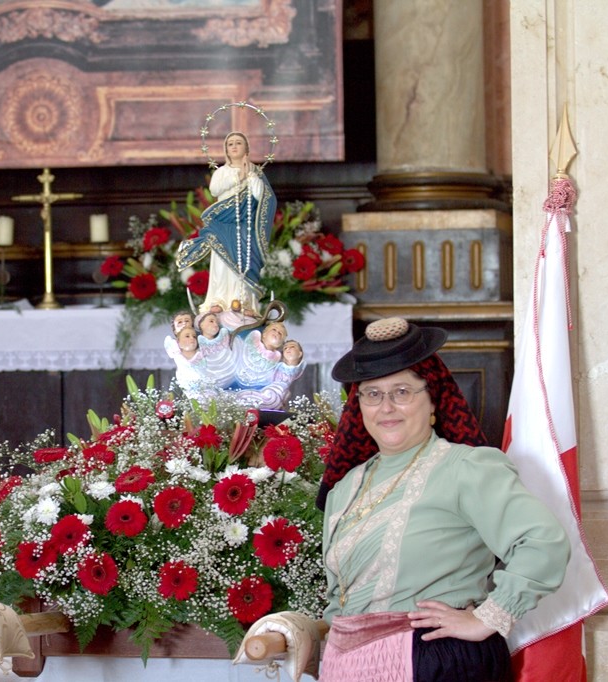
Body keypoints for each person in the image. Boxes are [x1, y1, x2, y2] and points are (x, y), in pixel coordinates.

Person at [241, 317, 570, 682]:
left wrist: (486, 618)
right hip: (350, 664)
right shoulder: (345, 486)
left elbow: (544, 542)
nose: (386, 407)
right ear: (359, 405)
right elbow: (345, 600)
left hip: (438, 660)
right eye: (373, 394)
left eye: (402, 392)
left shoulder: (468, 467)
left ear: (433, 402)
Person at [175, 131, 278, 317]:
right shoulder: (221, 172)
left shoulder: (256, 172)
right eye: (230, 144)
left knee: (245, 258)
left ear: (246, 147)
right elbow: (215, 189)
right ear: (226, 150)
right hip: (223, 223)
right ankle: (219, 300)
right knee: (222, 263)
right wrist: (239, 177)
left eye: (239, 143)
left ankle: (245, 301)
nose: (235, 146)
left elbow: (263, 197)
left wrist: (252, 179)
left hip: (246, 226)